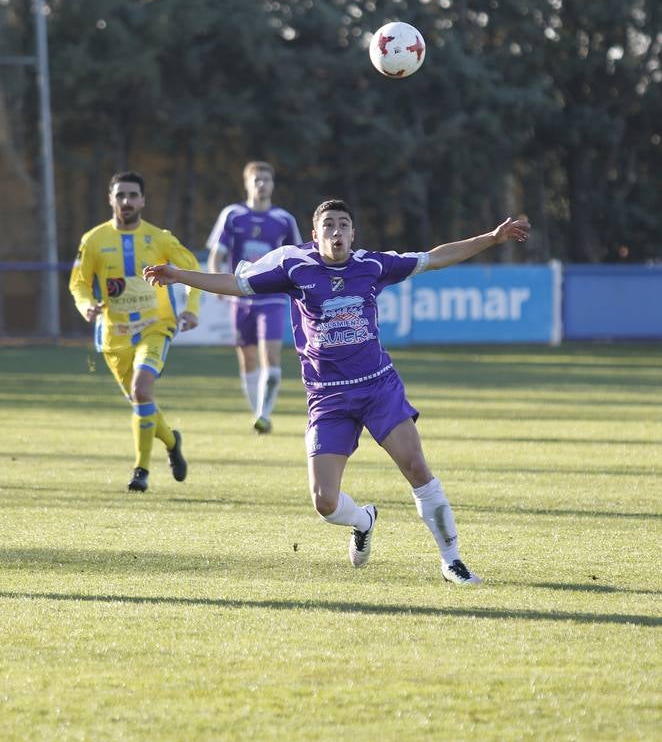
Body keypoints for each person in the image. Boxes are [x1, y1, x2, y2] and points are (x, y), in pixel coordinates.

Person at [144, 199, 530, 584]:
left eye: (344, 224)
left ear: (353, 234)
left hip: (378, 387)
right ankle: (364, 521)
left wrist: (492, 238)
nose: (337, 232)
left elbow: (434, 258)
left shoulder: (373, 265)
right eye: (328, 225)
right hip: (327, 397)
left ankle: (452, 560)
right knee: (325, 502)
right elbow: (235, 284)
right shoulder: (294, 267)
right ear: (315, 235)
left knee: (417, 468)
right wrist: (180, 275)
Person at [69, 171, 201, 493]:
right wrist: (86, 305)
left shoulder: (159, 238)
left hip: (156, 327)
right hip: (115, 335)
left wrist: (191, 308)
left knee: (142, 390)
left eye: (132, 195)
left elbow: (191, 268)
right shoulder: (93, 240)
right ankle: (171, 441)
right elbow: (79, 282)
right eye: (120, 195)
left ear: (143, 200)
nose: (126, 201)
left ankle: (141, 470)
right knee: (141, 401)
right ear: (110, 199)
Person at [206, 161, 301, 434]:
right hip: (240, 298)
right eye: (256, 180)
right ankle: (257, 412)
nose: (262, 184)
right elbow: (218, 253)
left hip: (271, 298)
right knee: (247, 360)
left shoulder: (284, 219)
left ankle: (264, 415)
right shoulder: (233, 215)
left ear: (273, 185)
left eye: (266, 180)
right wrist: (216, 282)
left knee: (270, 356)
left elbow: (294, 257)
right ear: (247, 184)